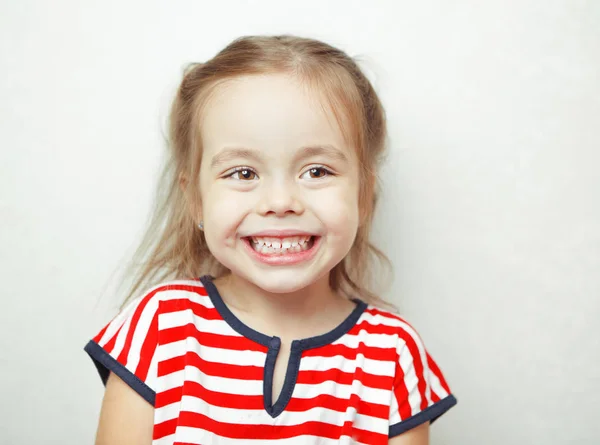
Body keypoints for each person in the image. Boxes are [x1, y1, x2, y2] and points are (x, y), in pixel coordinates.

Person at [84, 34, 458, 445]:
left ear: (363, 196)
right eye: (243, 173)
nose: (280, 202)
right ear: (196, 201)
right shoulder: (160, 328)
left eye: (317, 171)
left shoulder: (391, 355)